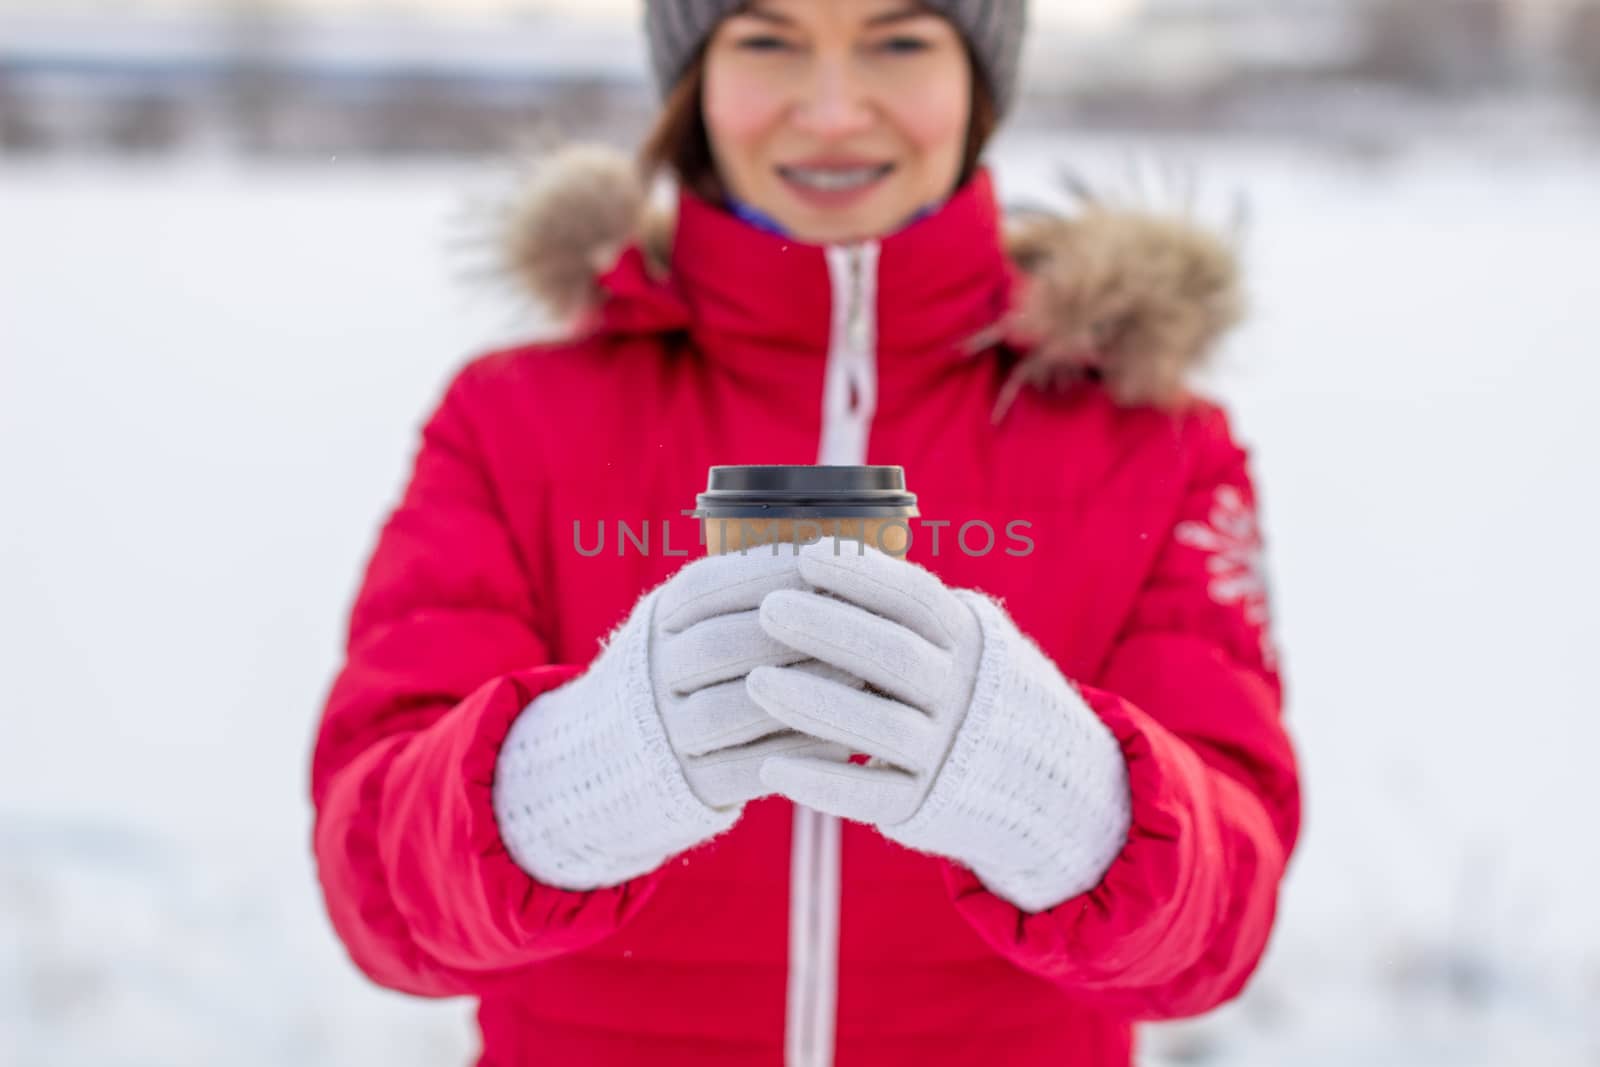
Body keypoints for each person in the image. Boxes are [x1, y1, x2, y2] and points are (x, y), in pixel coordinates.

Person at [308, 0, 1303, 1063]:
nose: (831, 110)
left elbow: (1222, 927)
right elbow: (377, 897)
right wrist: (569, 780)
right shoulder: (511, 418)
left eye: (901, 40)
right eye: (768, 41)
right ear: (692, 84)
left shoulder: (1153, 438)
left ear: (980, 84)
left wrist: (1061, 800)